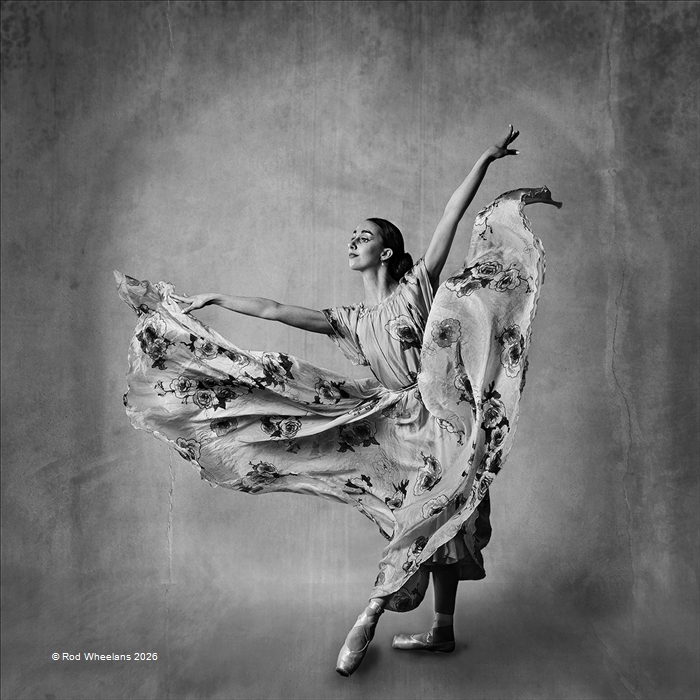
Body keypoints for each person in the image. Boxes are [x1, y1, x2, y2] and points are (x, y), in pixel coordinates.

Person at [115, 125, 559, 677]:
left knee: (440, 515)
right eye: (352, 236)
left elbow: (452, 212)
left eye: (362, 236)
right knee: (429, 521)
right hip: (394, 424)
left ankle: (370, 616)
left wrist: (485, 160)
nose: (352, 241)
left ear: (386, 251)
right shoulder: (351, 321)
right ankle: (440, 630)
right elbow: (276, 309)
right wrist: (216, 298)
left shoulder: (418, 285)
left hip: (442, 417)